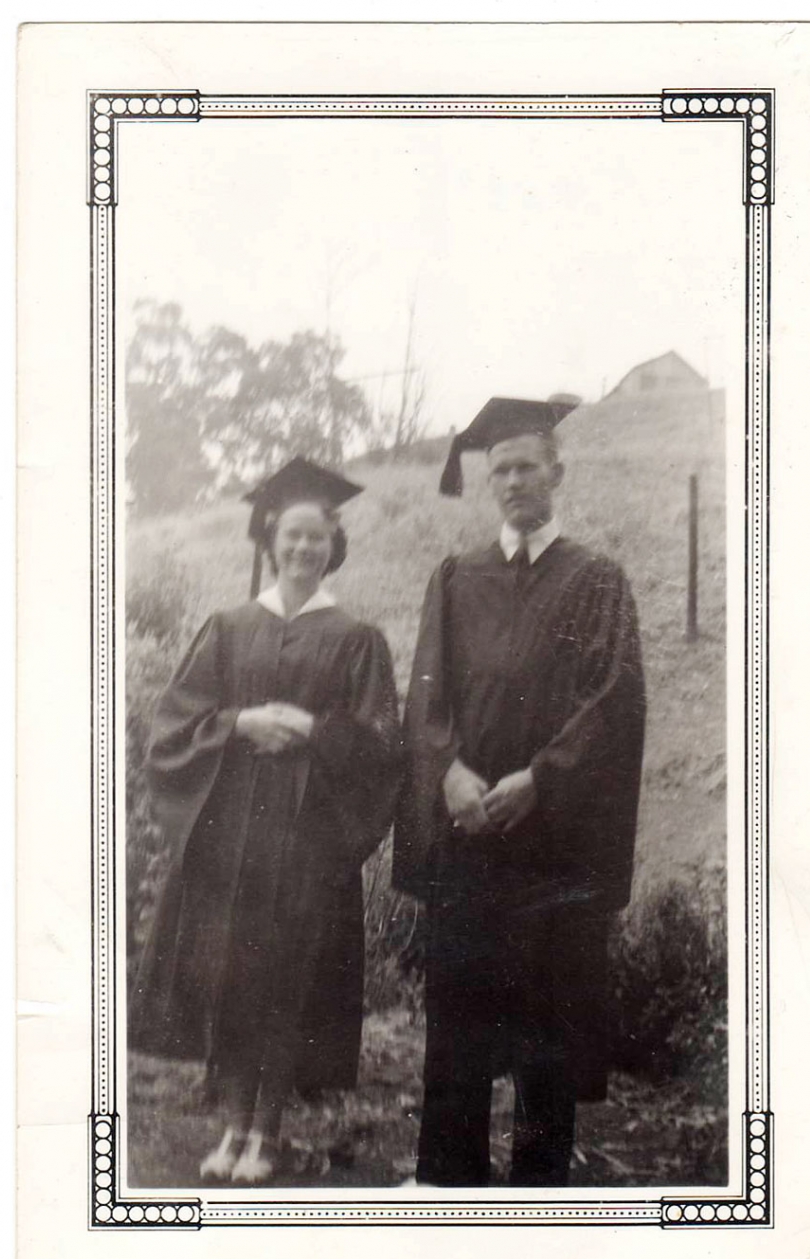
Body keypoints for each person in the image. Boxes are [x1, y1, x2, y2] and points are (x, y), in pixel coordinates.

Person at [393, 397, 646, 1188]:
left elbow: (612, 699)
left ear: (556, 473)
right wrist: (447, 770)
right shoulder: (455, 576)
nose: (511, 482)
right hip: (470, 834)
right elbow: (426, 692)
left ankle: (541, 1196)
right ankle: (445, 1183)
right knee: (457, 1023)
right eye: (499, 469)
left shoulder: (595, 579)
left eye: (526, 466)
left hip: (551, 845)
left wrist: (540, 779)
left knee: (549, 1031)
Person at [130, 458, 402, 1184]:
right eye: (292, 536)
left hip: (305, 842)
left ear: (332, 546)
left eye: (318, 538)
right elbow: (172, 729)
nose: (305, 549)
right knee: (232, 977)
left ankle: (266, 1135)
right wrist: (244, 718)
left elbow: (381, 746)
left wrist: (313, 729)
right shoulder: (227, 628)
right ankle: (230, 1130)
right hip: (231, 840)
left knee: (284, 984)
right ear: (270, 539)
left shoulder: (356, 638)